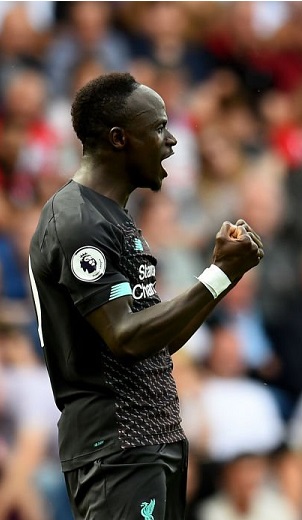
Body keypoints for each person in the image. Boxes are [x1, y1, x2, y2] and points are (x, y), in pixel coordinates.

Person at [28, 72, 264, 520]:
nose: (172, 141)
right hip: (117, 444)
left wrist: (222, 277)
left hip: (152, 436)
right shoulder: (78, 222)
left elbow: (158, 339)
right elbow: (125, 336)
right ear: (119, 139)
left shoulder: (114, 218)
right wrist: (218, 274)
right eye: (158, 128)